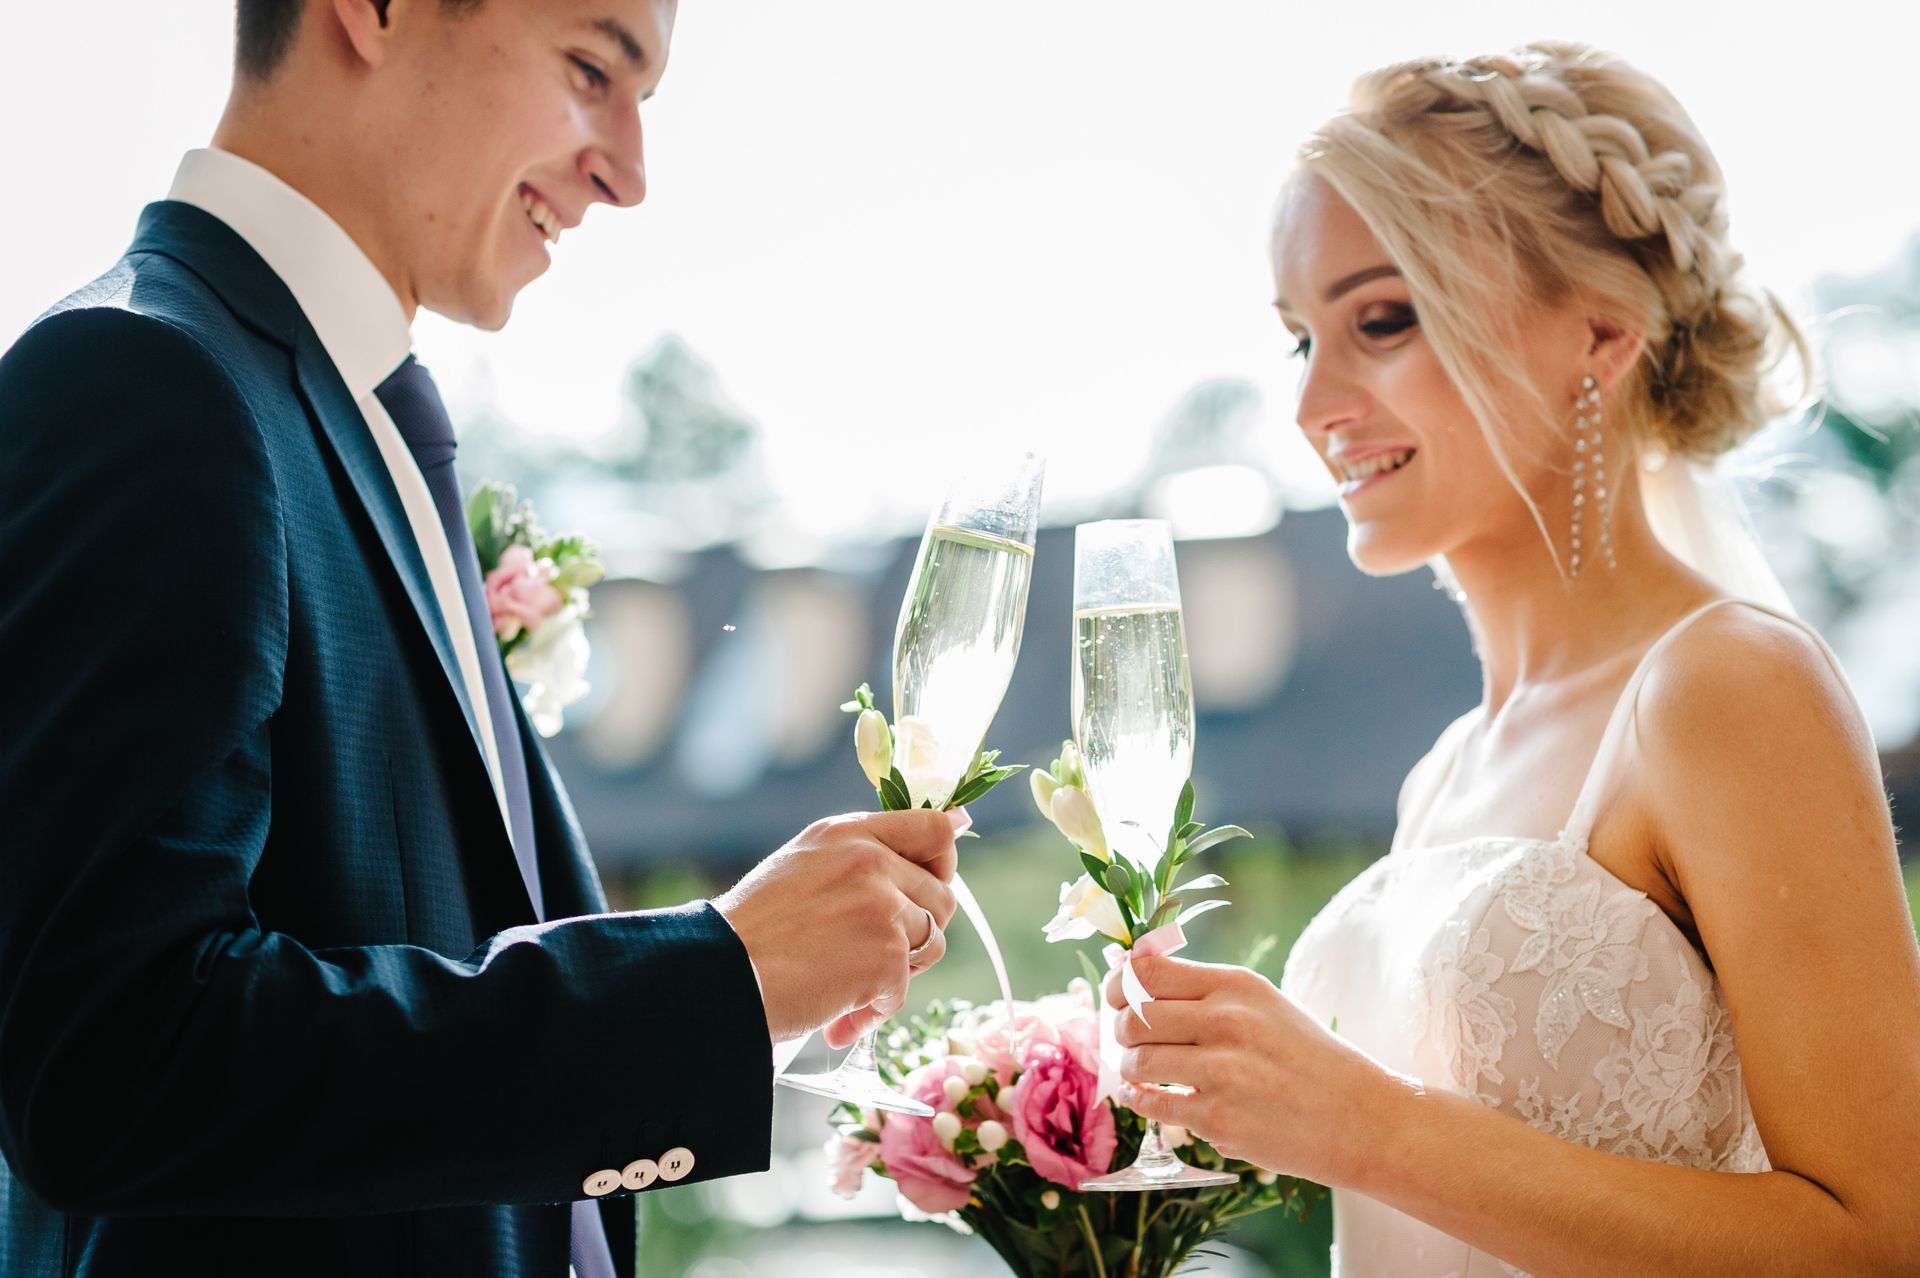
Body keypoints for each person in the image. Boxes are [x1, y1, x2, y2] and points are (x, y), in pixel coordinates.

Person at [0, 2, 962, 1276]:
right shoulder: (140, 383)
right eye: (588, 70)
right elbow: (111, 1063)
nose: (627, 171)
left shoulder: (362, 426)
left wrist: (755, 994)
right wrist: (709, 982)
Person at [1107, 42, 1920, 1276]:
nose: (1313, 403)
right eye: (1299, 338)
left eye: (1381, 319)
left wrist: (1366, 1127)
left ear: (1599, 333)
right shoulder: (1443, 771)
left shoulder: (1726, 686)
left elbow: (1882, 1241)